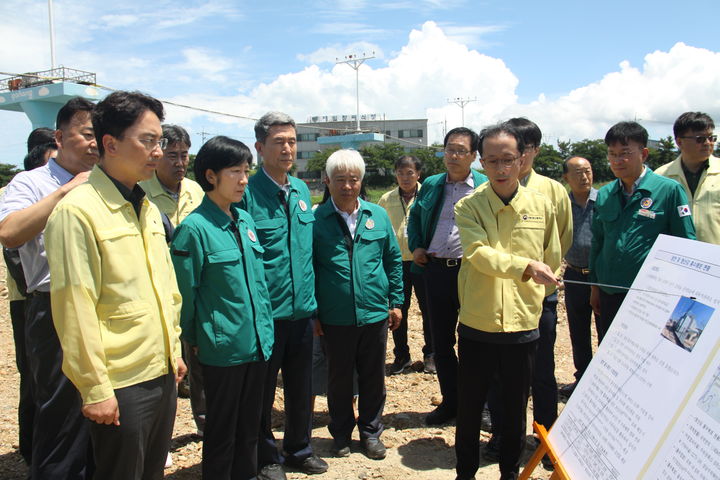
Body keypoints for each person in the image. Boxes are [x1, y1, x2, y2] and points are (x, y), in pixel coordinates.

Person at [45, 90, 186, 480]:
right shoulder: (78, 212)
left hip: (159, 372)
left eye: (160, 141)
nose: (158, 152)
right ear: (110, 143)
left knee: (152, 471)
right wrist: (95, 389)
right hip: (120, 382)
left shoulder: (146, 208)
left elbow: (165, 288)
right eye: (148, 141)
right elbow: (75, 309)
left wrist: (172, 348)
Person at [454, 122, 562, 480]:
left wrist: (535, 292)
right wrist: (526, 266)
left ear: (522, 159)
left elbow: (552, 254)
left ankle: (509, 473)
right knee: (470, 409)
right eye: (492, 161)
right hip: (478, 324)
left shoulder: (541, 206)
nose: (500, 169)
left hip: (522, 326)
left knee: (517, 410)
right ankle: (465, 473)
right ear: (480, 163)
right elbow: (478, 254)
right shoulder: (468, 206)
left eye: (508, 160)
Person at [0, 96, 97, 479]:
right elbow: (9, 233)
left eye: (99, 135)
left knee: (100, 411)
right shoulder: (32, 182)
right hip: (54, 306)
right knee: (60, 414)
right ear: (59, 136)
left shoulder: (108, 184)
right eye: (86, 134)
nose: (94, 143)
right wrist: (66, 191)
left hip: (100, 308)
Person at [171, 136, 274, 480]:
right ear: (211, 175)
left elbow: (258, 284)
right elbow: (185, 294)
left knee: (250, 427)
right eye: (236, 172)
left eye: (247, 171)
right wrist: (192, 338)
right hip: (222, 348)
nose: (244, 179)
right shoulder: (194, 229)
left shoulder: (244, 221)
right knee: (222, 431)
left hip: (257, 343)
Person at [240, 112, 327, 479]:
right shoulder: (246, 194)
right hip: (267, 314)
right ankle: (264, 456)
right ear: (260, 148)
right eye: (279, 142)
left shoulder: (302, 191)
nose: (288, 148)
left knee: (299, 386)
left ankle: (299, 449)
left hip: (302, 312)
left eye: (292, 141)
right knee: (261, 392)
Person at [313, 149, 403, 460]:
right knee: (338, 379)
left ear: (361, 181)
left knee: (372, 377)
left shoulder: (376, 216)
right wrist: (315, 314)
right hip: (334, 317)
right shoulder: (315, 220)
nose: (348, 186)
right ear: (327, 181)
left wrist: (396, 301)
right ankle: (340, 433)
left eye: (353, 180)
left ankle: (370, 432)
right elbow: (308, 269)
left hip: (374, 314)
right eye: (340, 180)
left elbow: (392, 260)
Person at [407, 127, 488, 426]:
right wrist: (416, 244)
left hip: (473, 273)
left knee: (476, 341)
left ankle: (480, 407)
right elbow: (415, 217)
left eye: (461, 151)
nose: (453, 156)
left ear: (474, 156)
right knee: (441, 342)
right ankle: (450, 402)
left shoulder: (485, 184)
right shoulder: (430, 184)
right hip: (436, 271)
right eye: (449, 149)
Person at [590, 121, 696, 341]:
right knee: (610, 348)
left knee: (642, 352)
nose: (618, 160)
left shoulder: (668, 190)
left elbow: (686, 242)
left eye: (625, 153)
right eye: (612, 154)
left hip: (648, 296)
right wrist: (595, 287)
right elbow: (598, 243)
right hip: (610, 291)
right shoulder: (605, 193)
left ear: (644, 153)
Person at [506, 117, 572, 440]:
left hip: (540, 296)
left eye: (523, 149)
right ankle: (505, 435)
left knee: (542, 370)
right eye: (510, 148)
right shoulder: (488, 189)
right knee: (502, 373)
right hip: (500, 297)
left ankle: (546, 437)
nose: (516, 156)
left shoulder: (553, 190)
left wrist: (543, 272)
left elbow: (563, 237)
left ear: (535, 151)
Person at [140, 123, 205, 438]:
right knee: (163, 371)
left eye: (184, 155)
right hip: (159, 299)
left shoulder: (196, 191)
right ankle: (158, 438)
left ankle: (207, 427)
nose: (180, 162)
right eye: (172, 155)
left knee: (199, 366)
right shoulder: (140, 193)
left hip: (194, 296)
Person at [0, 127, 55, 468]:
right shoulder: (20, 190)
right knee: (33, 376)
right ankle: (31, 447)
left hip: (42, 295)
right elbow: (14, 252)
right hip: (29, 299)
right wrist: (35, 291)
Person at [377, 155, 434, 374]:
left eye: (410, 173)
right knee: (397, 310)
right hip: (396, 263)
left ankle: (431, 355)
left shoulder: (428, 196)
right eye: (400, 173)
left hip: (423, 262)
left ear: (418, 174)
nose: (405, 177)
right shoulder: (386, 199)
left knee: (429, 310)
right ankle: (402, 356)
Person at [560, 156, 598, 397]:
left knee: (606, 331)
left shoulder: (605, 200)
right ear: (566, 178)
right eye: (577, 173)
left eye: (588, 171)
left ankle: (604, 383)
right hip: (573, 274)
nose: (584, 177)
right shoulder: (562, 204)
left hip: (601, 277)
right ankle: (582, 378)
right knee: (578, 330)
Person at [655, 112, 719, 245]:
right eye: (700, 139)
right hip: (676, 258)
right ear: (679, 142)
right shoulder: (660, 177)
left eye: (712, 138)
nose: (708, 143)